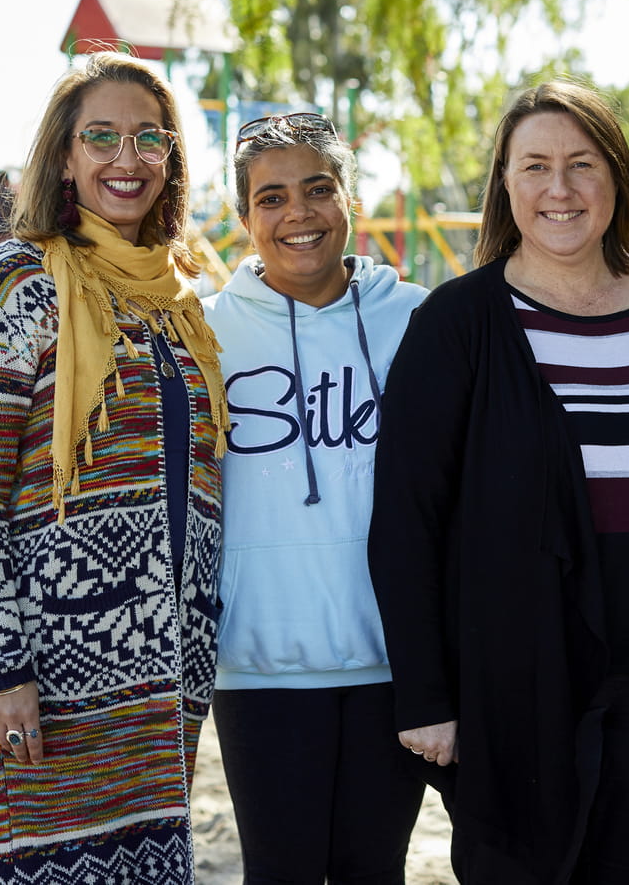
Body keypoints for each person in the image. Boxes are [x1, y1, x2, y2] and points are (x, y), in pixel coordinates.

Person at [369, 79, 629, 884]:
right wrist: (426, 696)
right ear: (505, 183)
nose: (560, 189)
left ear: (619, 178)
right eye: (534, 165)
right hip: (511, 688)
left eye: (582, 164)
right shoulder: (457, 323)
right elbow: (406, 519)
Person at [0, 51, 229, 885]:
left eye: (148, 139)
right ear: (64, 156)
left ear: (171, 157)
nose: (125, 160)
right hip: (47, 681)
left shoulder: (178, 299)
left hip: (165, 680)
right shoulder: (15, 284)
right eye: (101, 137)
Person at [202, 112, 429, 883]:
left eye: (317, 189)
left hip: (392, 665)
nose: (297, 214)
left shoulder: (419, 321)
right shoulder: (204, 334)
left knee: (376, 871)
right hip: (260, 666)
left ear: (349, 199)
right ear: (244, 218)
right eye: (270, 198)